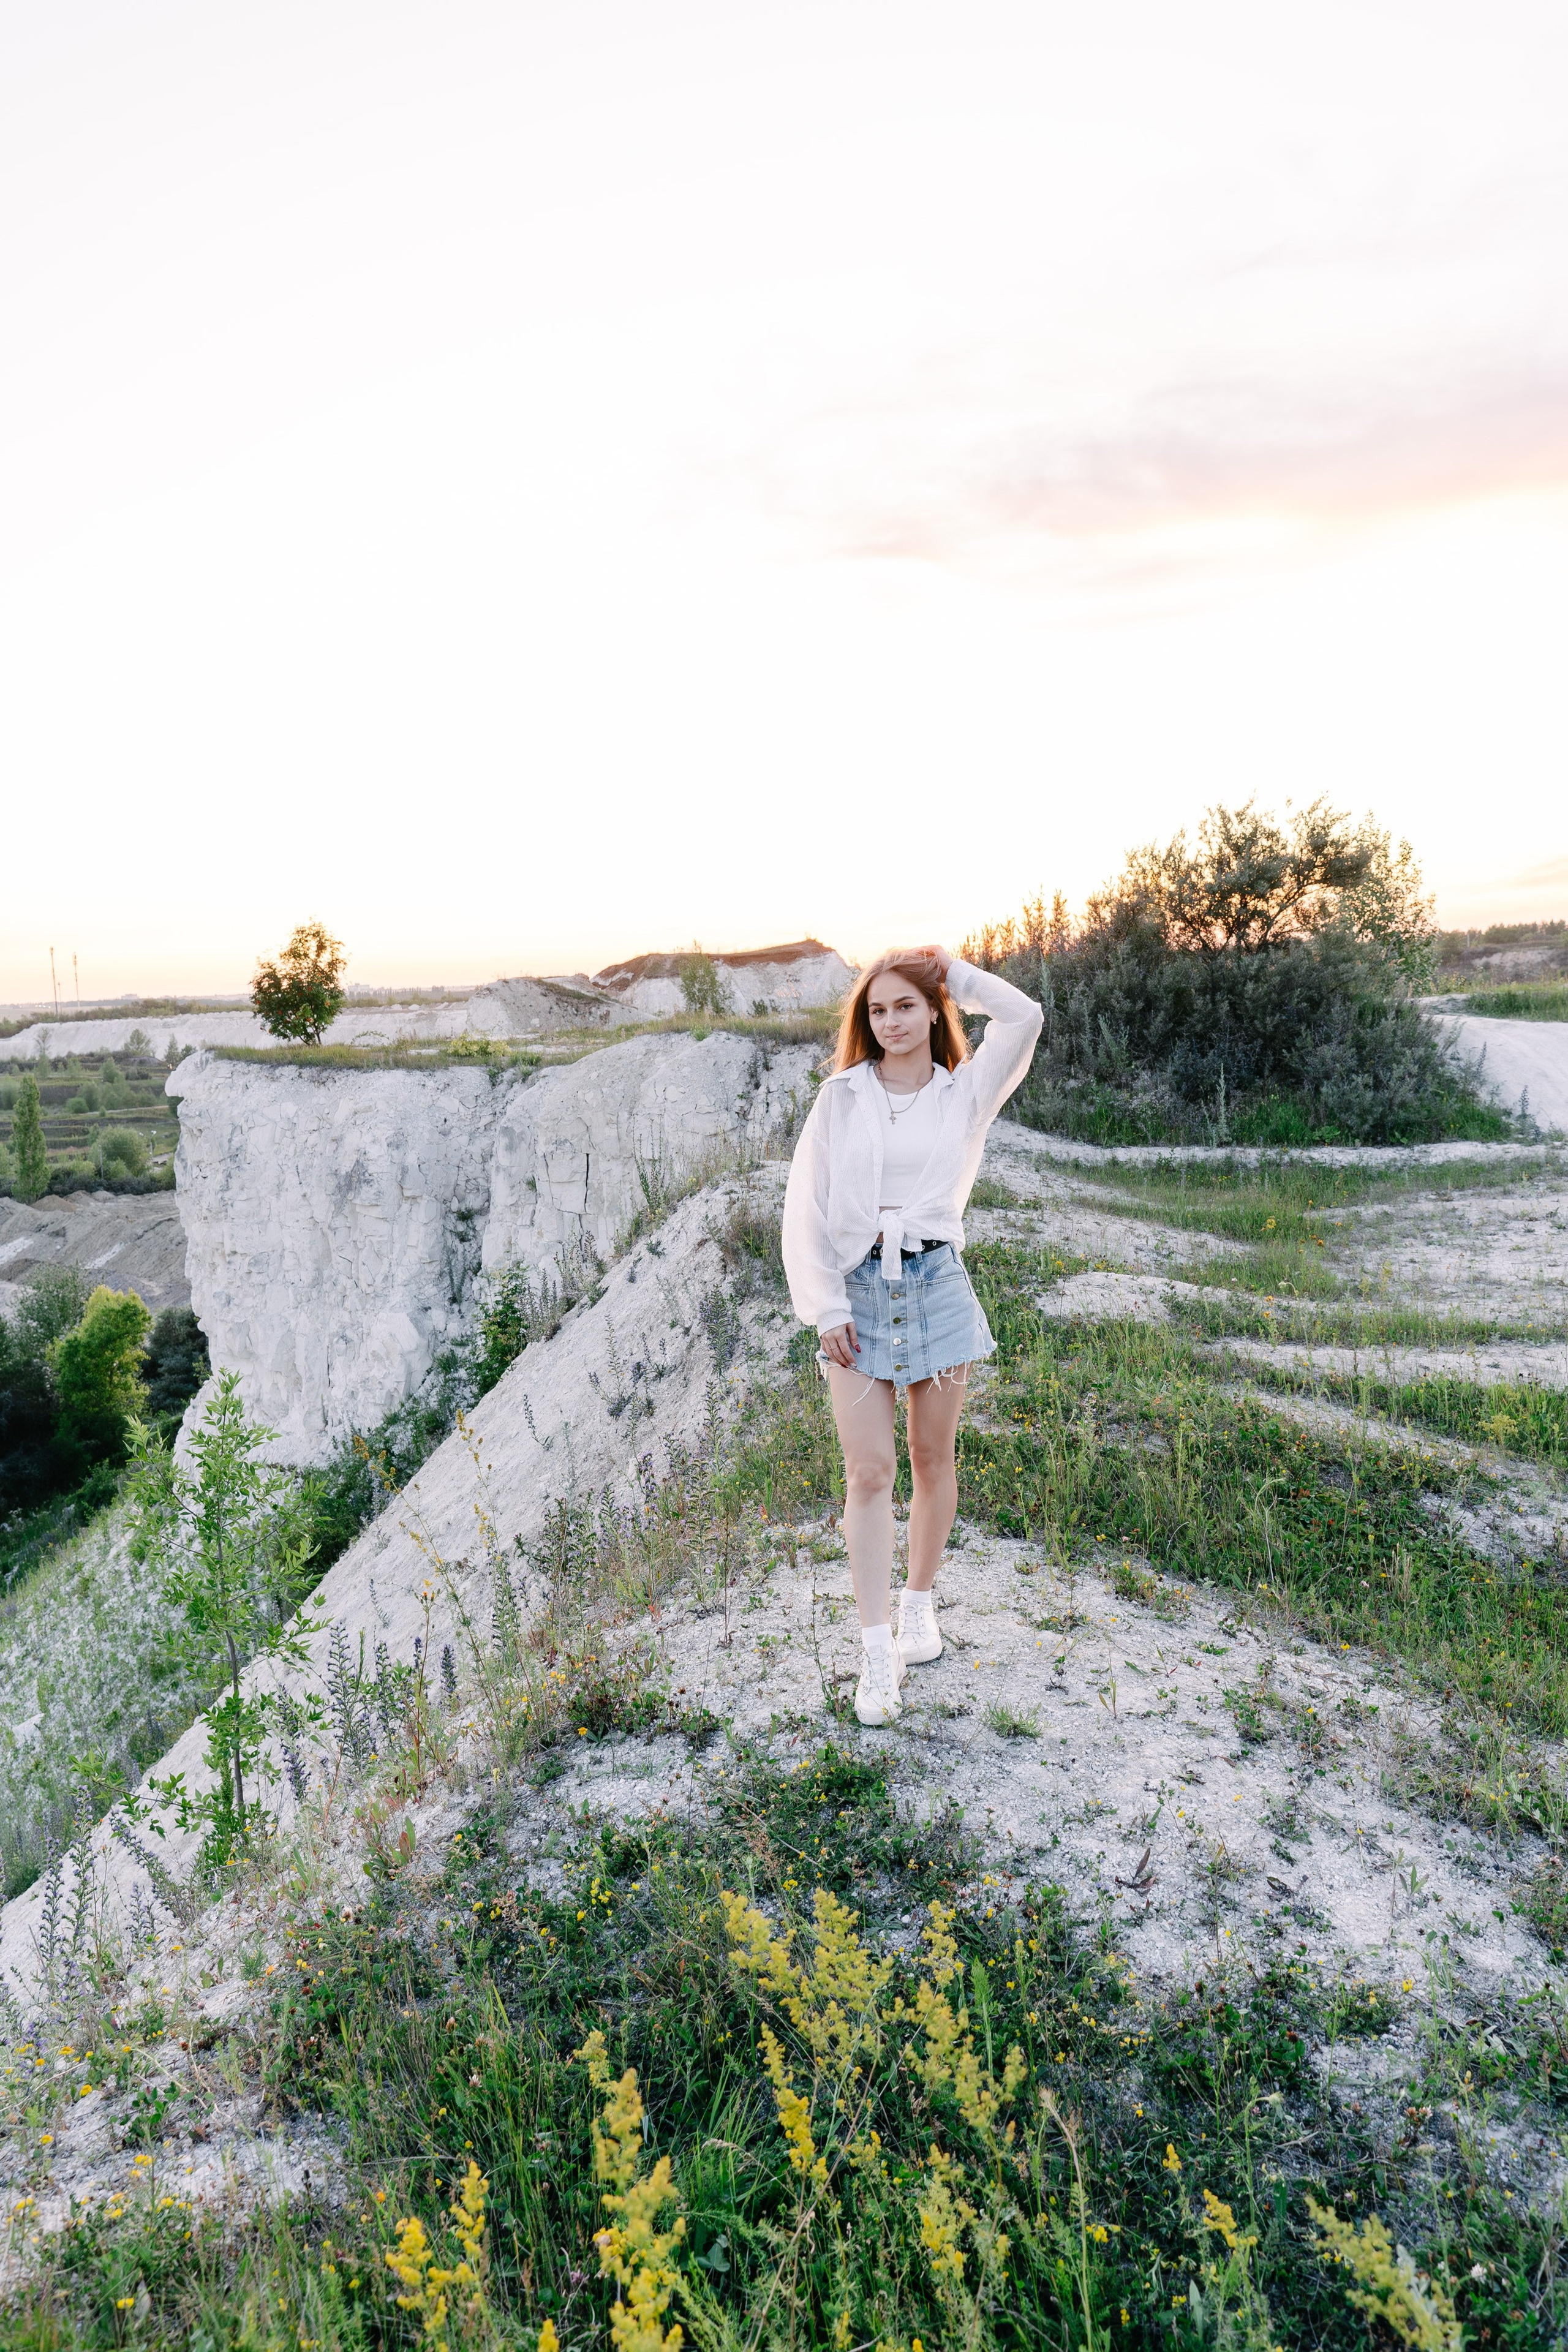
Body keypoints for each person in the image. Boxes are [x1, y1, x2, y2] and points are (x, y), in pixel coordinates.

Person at [782, 944, 1043, 1723]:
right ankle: (873, 1653)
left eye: (905, 1005)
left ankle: (919, 1606)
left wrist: (950, 968)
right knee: (869, 1472)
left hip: (939, 1289)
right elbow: (807, 1205)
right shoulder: (841, 1098)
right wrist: (825, 1306)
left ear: (933, 1011)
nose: (890, 1021)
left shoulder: (966, 1094)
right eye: (876, 1010)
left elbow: (1024, 1015)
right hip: (857, 1293)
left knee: (934, 1460)